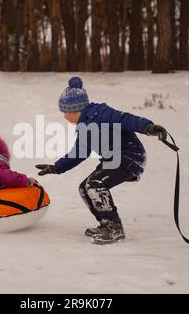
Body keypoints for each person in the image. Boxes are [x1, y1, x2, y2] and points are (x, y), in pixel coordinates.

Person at [35, 77, 168, 245]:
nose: (64, 116)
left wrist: (148, 127)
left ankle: (114, 228)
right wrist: (56, 167)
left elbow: (125, 119)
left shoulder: (101, 113)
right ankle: (105, 224)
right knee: (85, 188)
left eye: (65, 112)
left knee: (95, 184)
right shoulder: (84, 128)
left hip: (129, 156)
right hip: (113, 160)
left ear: (74, 110)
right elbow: (78, 153)